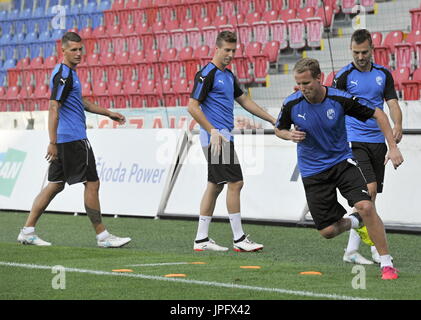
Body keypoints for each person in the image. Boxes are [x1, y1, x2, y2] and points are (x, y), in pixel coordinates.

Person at [274, 58, 403, 280]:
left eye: (307, 83)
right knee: (328, 231)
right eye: (299, 84)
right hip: (313, 171)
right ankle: (356, 222)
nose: (303, 89)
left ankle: (386, 264)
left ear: (319, 78)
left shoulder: (339, 98)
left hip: (342, 162)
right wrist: (288, 135)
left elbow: (379, 114)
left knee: (366, 205)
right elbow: (279, 129)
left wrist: (392, 148)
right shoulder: (292, 104)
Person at [17, 32, 131, 248]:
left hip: (64, 139)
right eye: (74, 50)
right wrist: (52, 141)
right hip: (73, 139)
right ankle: (103, 237)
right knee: (92, 183)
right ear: (63, 50)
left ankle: (27, 231)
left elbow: (82, 103)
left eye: (80, 49)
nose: (79, 54)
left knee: (55, 185)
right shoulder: (64, 75)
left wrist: (108, 113)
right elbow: (53, 107)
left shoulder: (68, 73)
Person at [188, 31, 276, 252]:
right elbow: (192, 106)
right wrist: (213, 130)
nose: (229, 54)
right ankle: (239, 239)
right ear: (216, 48)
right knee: (236, 183)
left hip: (222, 137)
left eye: (233, 50)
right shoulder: (206, 73)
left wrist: (273, 119)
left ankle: (201, 239)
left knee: (215, 186)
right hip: (216, 139)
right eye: (226, 50)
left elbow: (245, 101)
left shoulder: (228, 76)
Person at [333, 29, 403, 265]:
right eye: (355, 52)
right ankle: (374, 248)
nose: (360, 56)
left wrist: (398, 124)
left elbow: (392, 103)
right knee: (368, 190)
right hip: (354, 140)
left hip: (377, 142)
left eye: (364, 52)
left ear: (372, 49)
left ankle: (352, 250)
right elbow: (335, 108)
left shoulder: (383, 74)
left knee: (370, 200)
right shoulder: (343, 76)